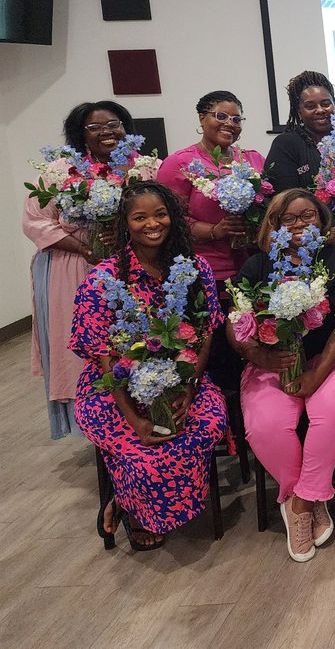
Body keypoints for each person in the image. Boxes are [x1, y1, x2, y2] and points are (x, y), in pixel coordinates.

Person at [69, 181, 227, 550]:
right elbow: (105, 357)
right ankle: (130, 505)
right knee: (145, 452)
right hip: (114, 390)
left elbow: (205, 334)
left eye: (160, 213)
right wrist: (136, 419)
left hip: (183, 381)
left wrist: (188, 388)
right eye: (140, 217)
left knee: (199, 431)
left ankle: (124, 499)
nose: (152, 223)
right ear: (125, 224)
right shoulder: (103, 281)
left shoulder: (194, 269)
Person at [228, 189, 335, 562]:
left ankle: (301, 505)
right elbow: (235, 320)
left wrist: (317, 374)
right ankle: (310, 496)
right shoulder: (257, 266)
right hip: (272, 360)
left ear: (322, 220)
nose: (299, 225)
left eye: (308, 216)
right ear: (273, 225)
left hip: (331, 357)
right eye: (288, 218)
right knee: (266, 425)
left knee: (334, 410)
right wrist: (257, 353)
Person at [24, 100, 137, 439]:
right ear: (80, 134)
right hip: (70, 266)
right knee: (82, 346)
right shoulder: (59, 170)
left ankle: (137, 411)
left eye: (114, 124)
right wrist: (86, 248)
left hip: (127, 265)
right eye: (95, 127)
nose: (107, 132)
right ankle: (95, 425)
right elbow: (36, 223)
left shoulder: (140, 167)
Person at [158, 90, 266, 391]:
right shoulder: (179, 163)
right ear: (201, 118)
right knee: (215, 351)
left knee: (253, 344)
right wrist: (214, 230)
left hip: (250, 268)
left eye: (236, 118)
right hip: (206, 274)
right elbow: (168, 221)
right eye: (220, 116)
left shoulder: (253, 160)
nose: (229, 123)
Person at [264, 71, 335, 190]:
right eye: (310, 106)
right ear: (299, 113)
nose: (320, 110)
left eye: (325, 104)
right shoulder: (286, 144)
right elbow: (284, 197)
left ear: (334, 105)